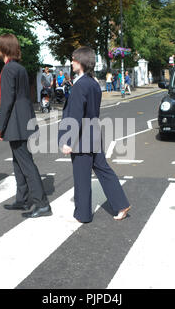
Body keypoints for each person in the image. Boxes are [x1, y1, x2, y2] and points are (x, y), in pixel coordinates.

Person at [58, 46, 131, 223]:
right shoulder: (93, 84)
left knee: (82, 178)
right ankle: (121, 204)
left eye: (74, 59)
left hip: (81, 139)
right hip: (93, 134)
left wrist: (68, 140)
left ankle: (82, 215)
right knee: (103, 170)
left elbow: (75, 115)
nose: (72, 62)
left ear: (81, 62)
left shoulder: (79, 86)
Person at [0, 33, 52, 219]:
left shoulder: (9, 69)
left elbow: (7, 100)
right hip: (23, 120)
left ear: (4, 48)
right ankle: (23, 199)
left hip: (16, 123)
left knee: (25, 163)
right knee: (18, 162)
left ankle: (42, 204)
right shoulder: (19, 68)